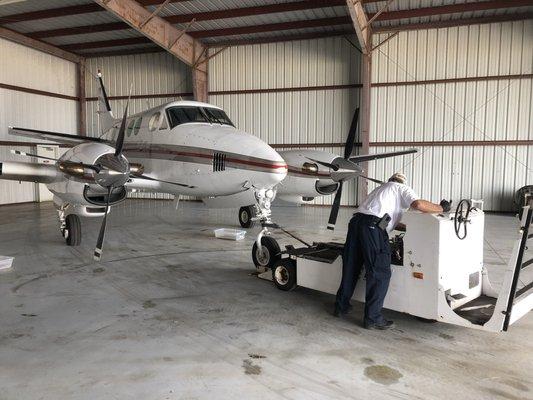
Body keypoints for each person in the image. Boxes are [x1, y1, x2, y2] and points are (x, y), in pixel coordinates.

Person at [333, 172, 451, 330]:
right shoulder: (401, 188)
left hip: (356, 223)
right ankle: (373, 318)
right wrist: (441, 207)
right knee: (380, 272)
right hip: (373, 228)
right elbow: (418, 205)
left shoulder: (380, 190)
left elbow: (387, 220)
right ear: (403, 182)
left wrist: (412, 227)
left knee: (352, 267)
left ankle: (341, 307)